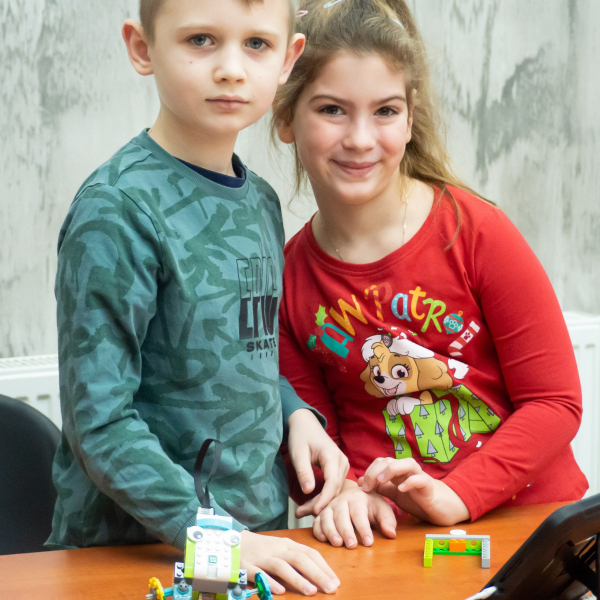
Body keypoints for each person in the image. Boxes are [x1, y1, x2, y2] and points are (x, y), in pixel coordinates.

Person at [46, 0, 347, 595]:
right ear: (142, 48)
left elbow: (239, 351)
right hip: (135, 558)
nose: (231, 68)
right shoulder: (117, 210)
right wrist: (219, 538)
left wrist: (293, 411)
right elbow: (100, 421)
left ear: (288, 59)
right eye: (201, 40)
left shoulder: (261, 201)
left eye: (256, 44)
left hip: (257, 547)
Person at [274, 0, 588, 551]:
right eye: (332, 110)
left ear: (410, 118)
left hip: (533, 534)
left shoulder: (477, 232)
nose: (361, 138)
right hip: (395, 545)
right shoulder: (287, 279)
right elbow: (312, 438)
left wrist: (457, 495)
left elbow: (555, 403)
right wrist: (345, 493)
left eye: (385, 111)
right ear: (285, 118)